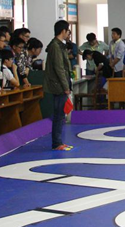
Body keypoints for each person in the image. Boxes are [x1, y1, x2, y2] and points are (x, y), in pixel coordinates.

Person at [43, 20, 73, 151]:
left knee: (60, 114)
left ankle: (58, 141)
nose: (68, 34)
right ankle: (56, 142)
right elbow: (59, 68)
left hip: (60, 84)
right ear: (63, 31)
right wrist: (66, 87)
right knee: (59, 114)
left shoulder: (60, 45)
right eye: (68, 31)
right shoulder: (55, 46)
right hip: (58, 85)